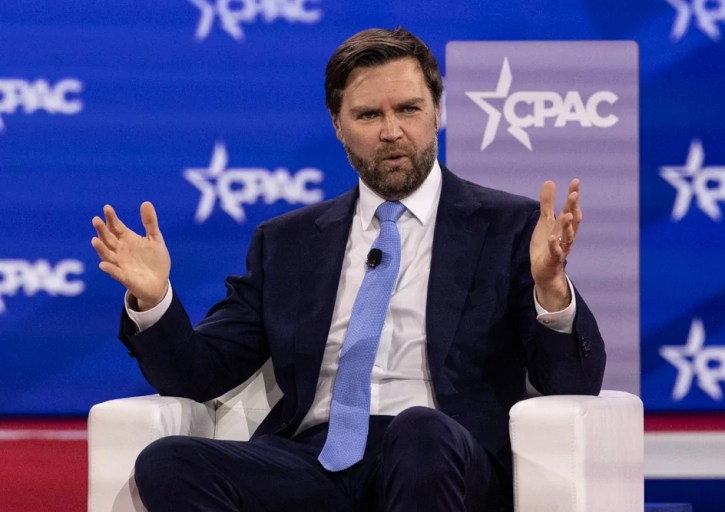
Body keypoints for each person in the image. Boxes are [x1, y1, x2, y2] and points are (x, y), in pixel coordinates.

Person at [91, 27, 605, 512]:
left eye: (409, 109)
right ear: (338, 125)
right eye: (367, 115)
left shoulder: (507, 226)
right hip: (317, 462)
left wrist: (552, 291)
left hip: (445, 455)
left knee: (419, 431)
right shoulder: (286, 242)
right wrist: (154, 300)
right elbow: (197, 374)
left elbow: (573, 383)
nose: (392, 131)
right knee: (168, 463)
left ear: (438, 113)